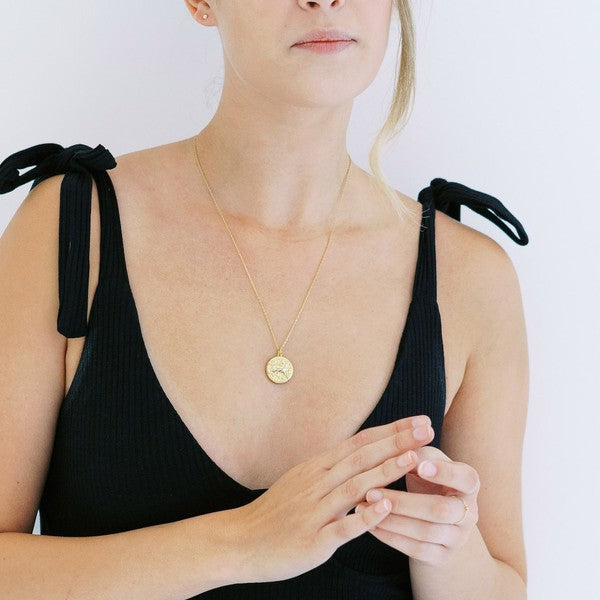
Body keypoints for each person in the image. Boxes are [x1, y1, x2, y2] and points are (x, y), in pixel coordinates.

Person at [0, 1, 530, 598]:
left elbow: (504, 586)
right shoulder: (73, 229)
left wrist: (448, 551)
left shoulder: (468, 276)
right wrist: (239, 544)